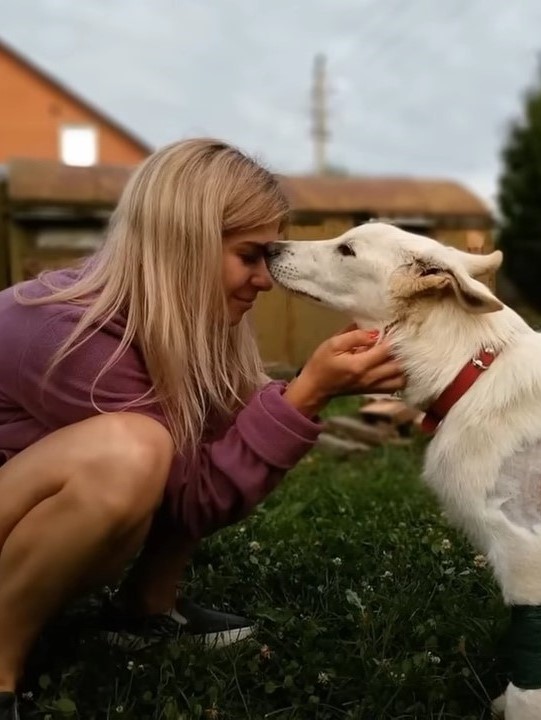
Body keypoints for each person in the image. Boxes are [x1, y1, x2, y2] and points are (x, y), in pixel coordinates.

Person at [0, 137, 405, 719]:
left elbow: (221, 437)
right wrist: (307, 395)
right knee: (133, 450)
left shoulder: (176, 324)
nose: (265, 279)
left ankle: (145, 608)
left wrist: (296, 395)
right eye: (250, 254)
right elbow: (191, 498)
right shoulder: (65, 334)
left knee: (193, 419)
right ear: (183, 244)